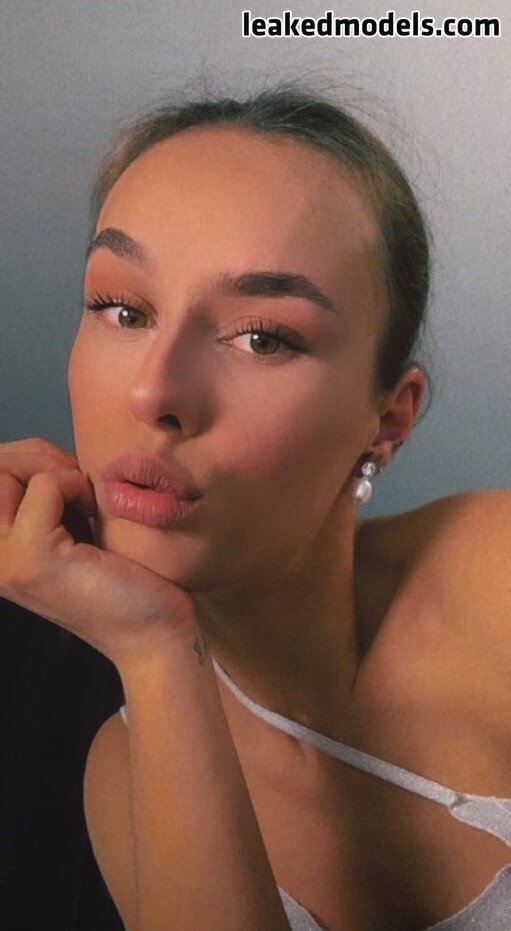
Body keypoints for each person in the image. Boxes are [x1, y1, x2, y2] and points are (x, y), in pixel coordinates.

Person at [1, 83, 509, 931]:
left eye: (262, 337)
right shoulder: (127, 770)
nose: (154, 393)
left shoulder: (495, 571)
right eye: (123, 310)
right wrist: (157, 650)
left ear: (388, 418)